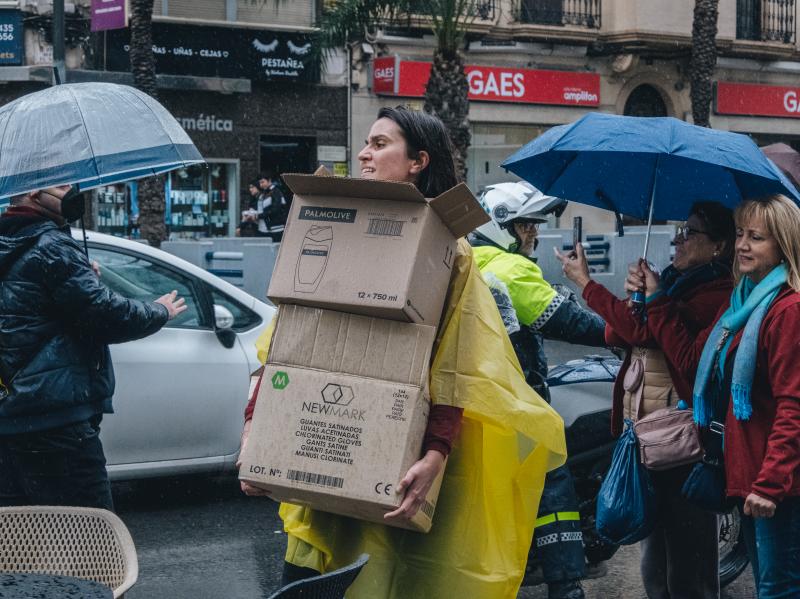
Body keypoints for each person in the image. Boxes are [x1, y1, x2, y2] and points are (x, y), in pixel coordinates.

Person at [238, 107, 567, 598]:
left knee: (384, 580)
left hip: (396, 460)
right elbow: (287, 337)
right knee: (310, 583)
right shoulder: (330, 226)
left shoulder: (448, 252)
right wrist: (254, 429)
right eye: (366, 143)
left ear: (418, 161)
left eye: (380, 143)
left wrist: (435, 452)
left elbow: (459, 360)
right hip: (318, 446)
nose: (365, 154)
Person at [558, 201, 736, 599]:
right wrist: (636, 299)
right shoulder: (673, 282)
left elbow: (677, 352)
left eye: (690, 232)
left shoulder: (718, 294)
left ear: (720, 246)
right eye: (679, 229)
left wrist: (593, 287)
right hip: (645, 432)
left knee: (688, 569)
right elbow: (618, 335)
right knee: (653, 562)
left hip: (684, 440)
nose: (678, 240)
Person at [633, 195, 800, 599]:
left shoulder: (787, 310)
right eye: (740, 233)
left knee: (779, 589)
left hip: (780, 484)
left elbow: (792, 406)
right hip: (750, 473)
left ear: (784, 245)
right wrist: (646, 299)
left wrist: (771, 483)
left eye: (756, 237)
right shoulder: (743, 304)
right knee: (770, 585)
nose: (742, 244)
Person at [0, 185, 186, 510]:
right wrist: (159, 311)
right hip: (56, 421)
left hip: (11, 418)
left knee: (22, 539)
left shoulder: (14, 244)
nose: (72, 191)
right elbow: (106, 315)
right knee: (91, 538)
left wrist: (81, 276)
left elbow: (38, 308)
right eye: (61, 185)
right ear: (31, 191)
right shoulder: (52, 246)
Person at [469, 182, 607, 599]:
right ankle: (566, 587)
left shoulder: (465, 258)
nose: (534, 234)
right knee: (554, 489)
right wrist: (624, 332)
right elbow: (568, 321)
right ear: (502, 226)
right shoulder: (509, 269)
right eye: (527, 225)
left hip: (474, 402)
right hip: (517, 404)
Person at [256, 174, 288, 241]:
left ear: (269, 180)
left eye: (262, 182)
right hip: (267, 228)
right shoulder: (264, 193)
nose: (261, 185)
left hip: (276, 228)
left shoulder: (276, 192)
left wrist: (259, 216)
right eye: (260, 183)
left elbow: (275, 209)